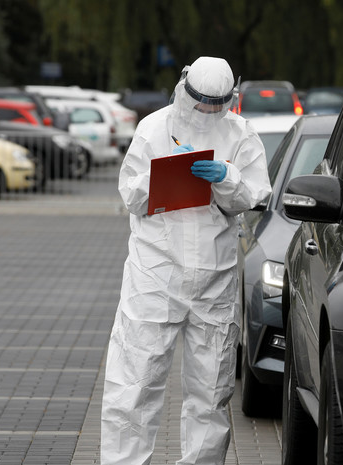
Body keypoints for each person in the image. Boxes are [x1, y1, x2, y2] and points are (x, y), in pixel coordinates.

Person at [101, 56, 271, 465]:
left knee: (210, 393)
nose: (207, 112)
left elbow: (256, 195)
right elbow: (130, 195)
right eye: (201, 103)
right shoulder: (154, 128)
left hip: (214, 277)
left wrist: (226, 177)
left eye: (216, 105)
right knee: (135, 385)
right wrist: (165, 175)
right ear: (184, 89)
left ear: (229, 99)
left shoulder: (241, 134)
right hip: (155, 273)